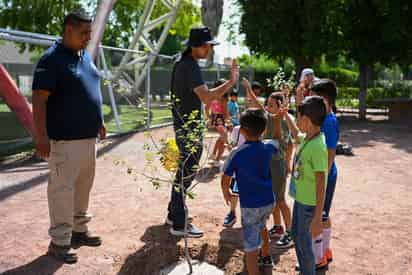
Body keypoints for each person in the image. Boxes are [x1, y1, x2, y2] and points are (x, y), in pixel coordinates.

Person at [32, 10, 105, 264]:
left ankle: (79, 231)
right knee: (62, 191)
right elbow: (39, 99)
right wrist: (40, 136)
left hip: (88, 138)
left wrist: (100, 121)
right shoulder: (51, 60)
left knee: (83, 188)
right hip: (64, 141)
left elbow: (92, 86)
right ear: (68, 31)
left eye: (90, 32)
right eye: (84, 33)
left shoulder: (84, 56)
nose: (88, 37)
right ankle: (60, 241)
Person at [167, 26, 239, 238]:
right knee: (186, 172)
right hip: (187, 127)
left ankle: (174, 214)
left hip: (185, 124)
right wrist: (231, 82)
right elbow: (207, 98)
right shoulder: (189, 66)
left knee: (185, 170)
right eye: (207, 45)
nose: (210, 49)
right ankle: (179, 223)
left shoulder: (183, 64)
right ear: (196, 46)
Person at [221, 109, 277, 275]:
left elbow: (225, 177)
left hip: (250, 205)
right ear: (264, 130)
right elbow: (277, 143)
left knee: (251, 246)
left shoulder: (237, 153)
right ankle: (266, 256)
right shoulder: (268, 147)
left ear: (242, 131)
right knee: (263, 226)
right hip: (268, 201)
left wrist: (226, 193)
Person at [281, 96, 328, 275]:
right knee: (297, 236)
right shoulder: (308, 137)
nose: (297, 120)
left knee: (304, 243)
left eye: (298, 117)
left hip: (309, 205)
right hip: (301, 200)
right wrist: (286, 115)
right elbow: (295, 133)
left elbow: (321, 184)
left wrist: (317, 218)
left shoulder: (317, 146)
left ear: (307, 121)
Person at [309, 79, 340, 267]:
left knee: (317, 217)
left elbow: (329, 154)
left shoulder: (328, 122)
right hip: (327, 175)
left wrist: (320, 181)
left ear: (325, 100)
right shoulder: (328, 118)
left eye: (315, 98)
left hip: (324, 176)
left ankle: (318, 259)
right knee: (324, 214)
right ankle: (325, 251)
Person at [222, 123, 246, 227]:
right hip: (239, 169)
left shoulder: (258, 129)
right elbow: (231, 147)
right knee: (235, 192)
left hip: (251, 169)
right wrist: (225, 139)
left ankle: (246, 216)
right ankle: (232, 213)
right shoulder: (237, 129)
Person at [205, 79, 230, 164]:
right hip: (221, 120)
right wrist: (229, 121)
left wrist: (210, 118)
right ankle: (217, 158)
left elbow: (206, 108)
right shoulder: (224, 98)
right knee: (224, 139)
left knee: (221, 138)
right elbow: (225, 112)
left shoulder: (212, 97)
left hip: (215, 118)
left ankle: (214, 155)